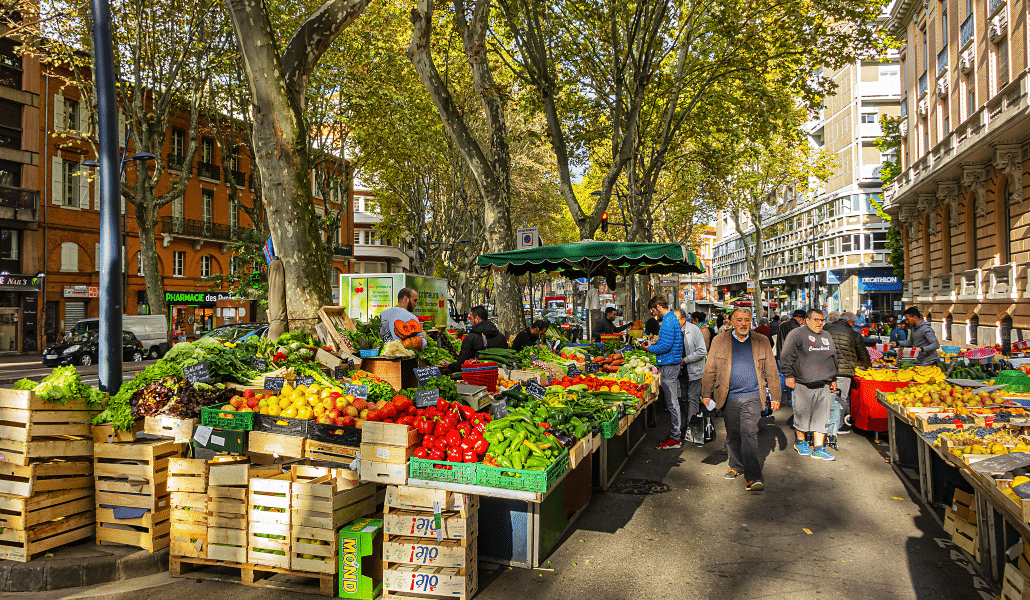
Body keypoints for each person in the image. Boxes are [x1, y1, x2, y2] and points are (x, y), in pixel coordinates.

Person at [701, 308, 781, 491]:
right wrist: (706, 393)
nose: (743, 324)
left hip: (753, 395)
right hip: (728, 396)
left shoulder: (761, 341)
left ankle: (753, 476)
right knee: (733, 434)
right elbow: (710, 368)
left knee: (749, 433)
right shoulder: (719, 340)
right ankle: (736, 465)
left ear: (751, 322)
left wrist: (775, 395)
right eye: (739, 320)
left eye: (746, 320)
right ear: (731, 321)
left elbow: (772, 369)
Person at [780, 308, 839, 462]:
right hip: (802, 382)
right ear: (807, 320)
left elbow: (833, 357)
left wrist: (833, 378)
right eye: (816, 320)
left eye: (822, 320)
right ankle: (800, 442)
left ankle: (819, 448)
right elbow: (786, 355)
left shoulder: (826, 335)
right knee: (802, 413)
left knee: (822, 416)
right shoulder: (796, 334)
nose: (820, 323)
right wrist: (788, 375)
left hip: (823, 383)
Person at [823, 311, 871, 448]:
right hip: (844, 372)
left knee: (825, 397)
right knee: (840, 399)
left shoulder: (826, 329)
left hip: (825, 370)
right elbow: (863, 353)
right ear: (850, 322)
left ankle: (823, 425)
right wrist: (868, 366)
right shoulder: (854, 334)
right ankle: (837, 426)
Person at [642, 297, 684, 449]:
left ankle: (675, 438)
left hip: (668, 364)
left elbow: (666, 346)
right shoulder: (672, 318)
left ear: (658, 307)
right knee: (672, 403)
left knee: (672, 403)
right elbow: (668, 342)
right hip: (672, 364)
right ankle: (675, 435)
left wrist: (649, 348)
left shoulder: (666, 320)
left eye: (653, 310)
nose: (653, 314)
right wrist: (654, 343)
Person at [675, 309, 708, 444]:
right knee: (683, 399)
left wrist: (685, 360)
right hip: (681, 373)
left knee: (693, 399)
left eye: (676, 320)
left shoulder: (694, 330)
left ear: (683, 320)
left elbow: (702, 351)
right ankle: (686, 425)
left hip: (694, 371)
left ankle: (692, 428)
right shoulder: (674, 331)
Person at [447, 306, 508, 372]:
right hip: (500, 378)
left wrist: (449, 365)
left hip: (478, 378)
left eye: (471, 319)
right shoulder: (502, 337)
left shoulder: (470, 339)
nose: (470, 322)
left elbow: (462, 365)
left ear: (477, 319)